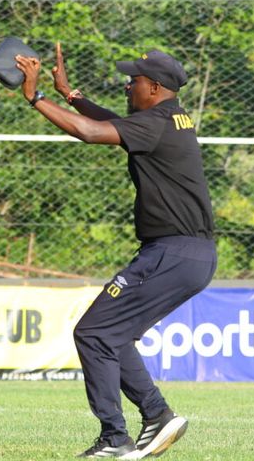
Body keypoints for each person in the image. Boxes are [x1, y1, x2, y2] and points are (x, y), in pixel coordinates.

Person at [15, 45, 217, 459]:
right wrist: (70, 95)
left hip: (173, 253)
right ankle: (157, 415)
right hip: (184, 254)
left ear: (155, 88)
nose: (128, 84)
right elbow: (111, 123)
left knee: (92, 333)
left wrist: (36, 97)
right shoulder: (169, 118)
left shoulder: (159, 121)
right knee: (111, 334)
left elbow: (90, 133)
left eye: (135, 80)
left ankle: (114, 437)